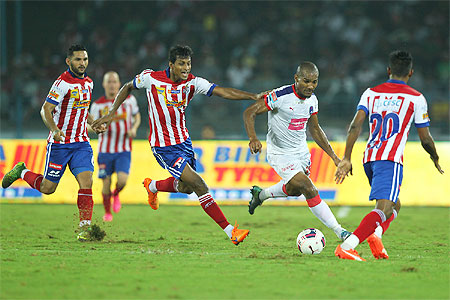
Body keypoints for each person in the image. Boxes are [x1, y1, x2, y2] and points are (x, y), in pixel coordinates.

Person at [92, 45, 264, 246]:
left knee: (187, 188)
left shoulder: (193, 83)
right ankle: (231, 231)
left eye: (188, 63)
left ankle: (153, 186)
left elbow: (222, 92)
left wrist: (252, 96)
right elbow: (127, 87)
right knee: (200, 185)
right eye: (181, 64)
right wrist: (112, 113)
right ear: (171, 65)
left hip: (184, 143)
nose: (186, 68)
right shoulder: (151, 78)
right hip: (163, 147)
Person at [334, 50, 444, 261]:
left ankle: (375, 235)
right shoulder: (416, 98)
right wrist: (435, 157)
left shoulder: (370, 93)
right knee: (384, 208)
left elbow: (355, 126)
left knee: (394, 204)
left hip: (370, 157)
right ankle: (347, 246)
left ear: (388, 70)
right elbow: (426, 139)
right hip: (390, 159)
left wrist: (347, 158)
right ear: (410, 73)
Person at [1, 45, 106, 241]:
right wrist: (55, 130)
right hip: (60, 145)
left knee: (87, 181)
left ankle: (85, 228)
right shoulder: (62, 83)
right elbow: (46, 109)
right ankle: (21, 171)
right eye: (78, 60)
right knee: (48, 188)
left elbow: (82, 110)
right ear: (69, 61)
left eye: (84, 59)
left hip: (81, 142)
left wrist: (94, 124)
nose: (82, 63)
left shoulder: (89, 83)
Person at [244, 62, 351, 241]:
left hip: (301, 153)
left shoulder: (313, 100)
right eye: (306, 81)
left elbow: (315, 129)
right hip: (280, 154)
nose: (310, 86)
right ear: (296, 78)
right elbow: (249, 112)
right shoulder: (279, 96)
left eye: (314, 82)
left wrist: (334, 157)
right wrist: (253, 138)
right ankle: (340, 231)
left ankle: (260, 195)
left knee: (295, 190)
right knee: (308, 188)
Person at [90, 71, 141, 222]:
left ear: (119, 84)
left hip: (123, 150)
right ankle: (107, 212)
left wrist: (134, 128)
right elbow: (90, 125)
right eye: (109, 82)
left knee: (122, 181)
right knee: (105, 184)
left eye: (115, 82)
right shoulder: (97, 105)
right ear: (104, 84)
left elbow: (137, 116)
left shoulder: (130, 100)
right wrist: (96, 129)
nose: (112, 85)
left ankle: (116, 194)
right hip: (105, 151)